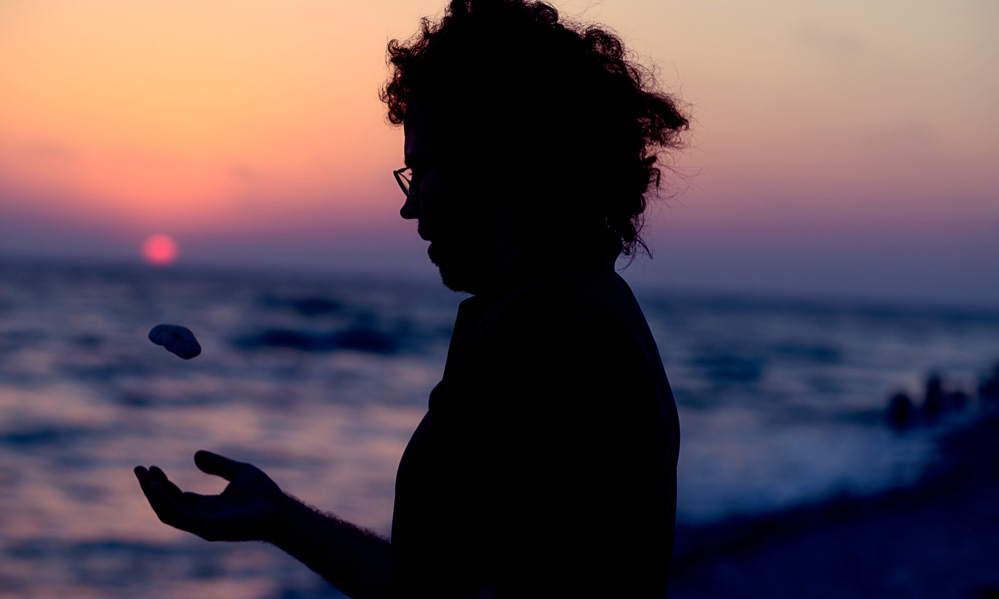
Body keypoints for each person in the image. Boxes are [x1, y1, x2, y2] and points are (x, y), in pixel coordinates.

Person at [134, 0, 687, 596]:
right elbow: (450, 585)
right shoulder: (574, 305)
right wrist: (283, 520)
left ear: (490, 162)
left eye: (419, 170)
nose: (410, 204)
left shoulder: (549, 329)